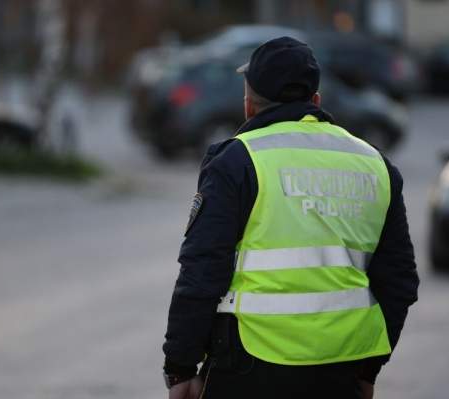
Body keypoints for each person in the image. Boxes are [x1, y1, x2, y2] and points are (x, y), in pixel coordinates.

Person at [162, 37, 419, 399]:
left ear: (249, 104)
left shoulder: (236, 160)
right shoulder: (376, 165)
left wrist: (181, 367)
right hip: (340, 370)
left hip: (249, 366)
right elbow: (400, 282)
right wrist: (367, 369)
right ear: (316, 100)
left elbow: (202, 271)